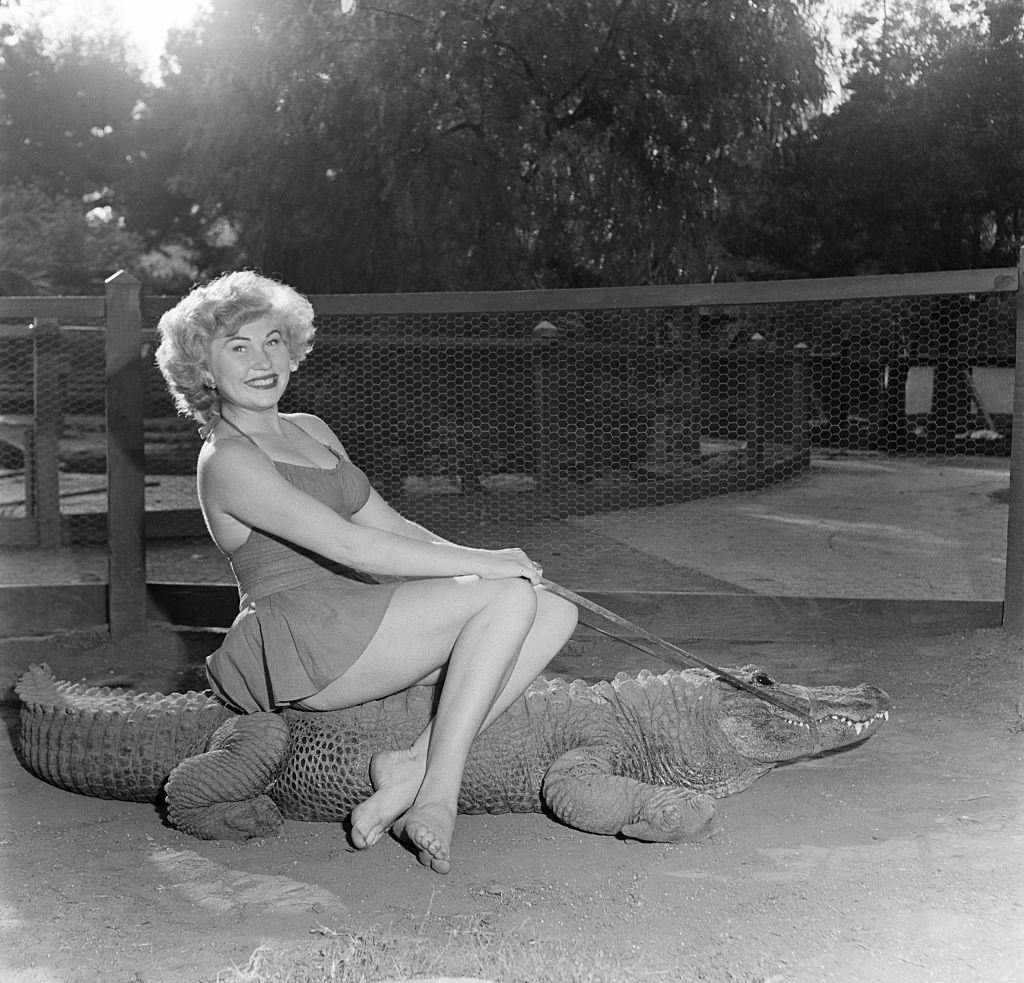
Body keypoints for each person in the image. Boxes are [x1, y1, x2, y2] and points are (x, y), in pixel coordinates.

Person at [154, 270, 579, 874]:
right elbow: (352, 547)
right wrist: (489, 568)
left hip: (361, 611)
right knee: (506, 599)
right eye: (238, 347)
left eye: (273, 340)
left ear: (294, 349)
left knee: (555, 607)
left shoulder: (310, 429)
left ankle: (412, 764)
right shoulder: (227, 462)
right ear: (203, 370)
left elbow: (394, 529)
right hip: (308, 638)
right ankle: (437, 794)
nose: (262, 360)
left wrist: (496, 564)